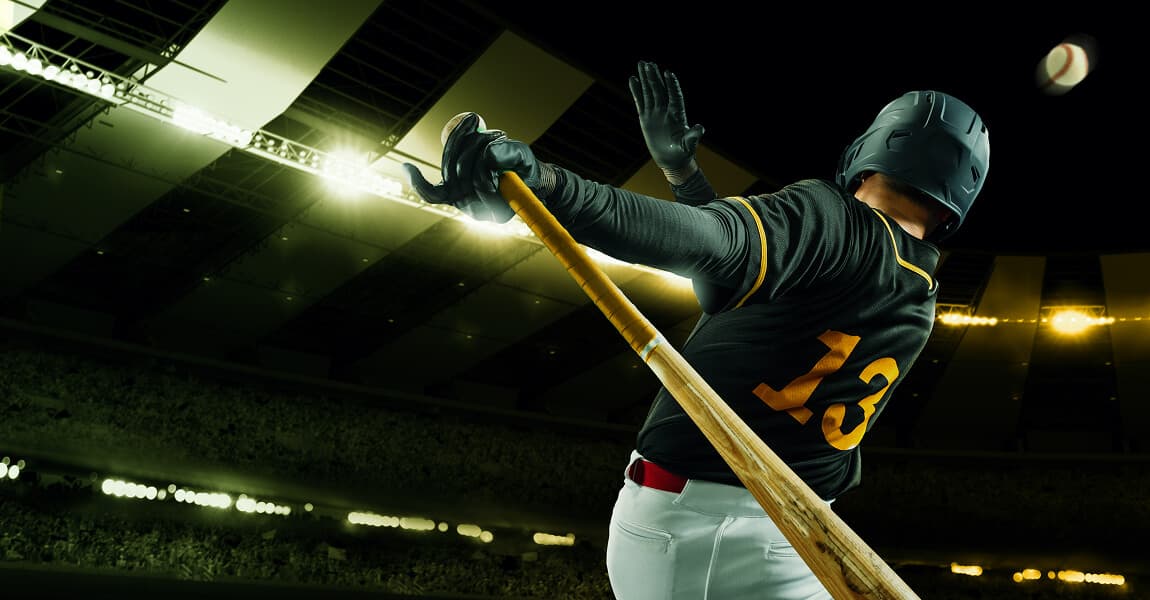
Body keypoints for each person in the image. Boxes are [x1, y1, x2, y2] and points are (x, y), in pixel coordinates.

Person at [403, 61, 990, 599]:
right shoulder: (920, 291)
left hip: (700, 533)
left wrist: (550, 186)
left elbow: (711, 243)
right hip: (796, 536)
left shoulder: (835, 220)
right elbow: (732, 294)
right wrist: (683, 175)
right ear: (953, 205)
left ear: (873, 149)